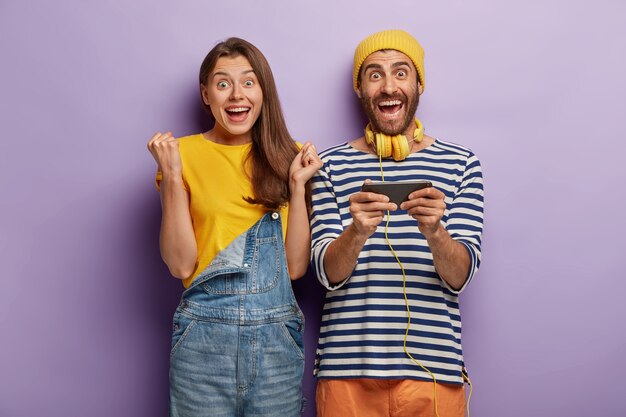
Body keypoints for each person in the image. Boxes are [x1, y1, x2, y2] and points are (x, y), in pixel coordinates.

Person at [310, 30, 484, 417]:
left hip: (433, 375)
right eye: (374, 74)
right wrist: (356, 232)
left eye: (401, 73)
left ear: (419, 83)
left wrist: (435, 233)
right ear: (360, 88)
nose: (389, 86)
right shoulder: (329, 166)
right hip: (345, 375)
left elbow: (461, 277)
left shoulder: (462, 164)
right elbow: (325, 273)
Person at [147, 37, 322, 417]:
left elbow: (294, 269)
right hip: (202, 346)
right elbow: (180, 265)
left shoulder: (287, 156)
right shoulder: (181, 155)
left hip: (275, 344)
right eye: (223, 83)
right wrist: (173, 177)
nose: (236, 95)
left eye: (248, 82)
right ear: (206, 94)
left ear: (263, 90)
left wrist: (296, 184)